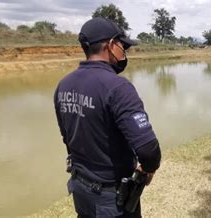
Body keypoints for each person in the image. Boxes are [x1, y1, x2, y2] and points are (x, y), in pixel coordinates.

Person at [53, 17, 161, 217]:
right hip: (111, 200)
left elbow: (67, 137)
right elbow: (148, 149)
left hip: (81, 188)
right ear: (111, 45)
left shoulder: (63, 85)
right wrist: (149, 168)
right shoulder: (118, 88)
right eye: (123, 46)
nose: (124, 52)